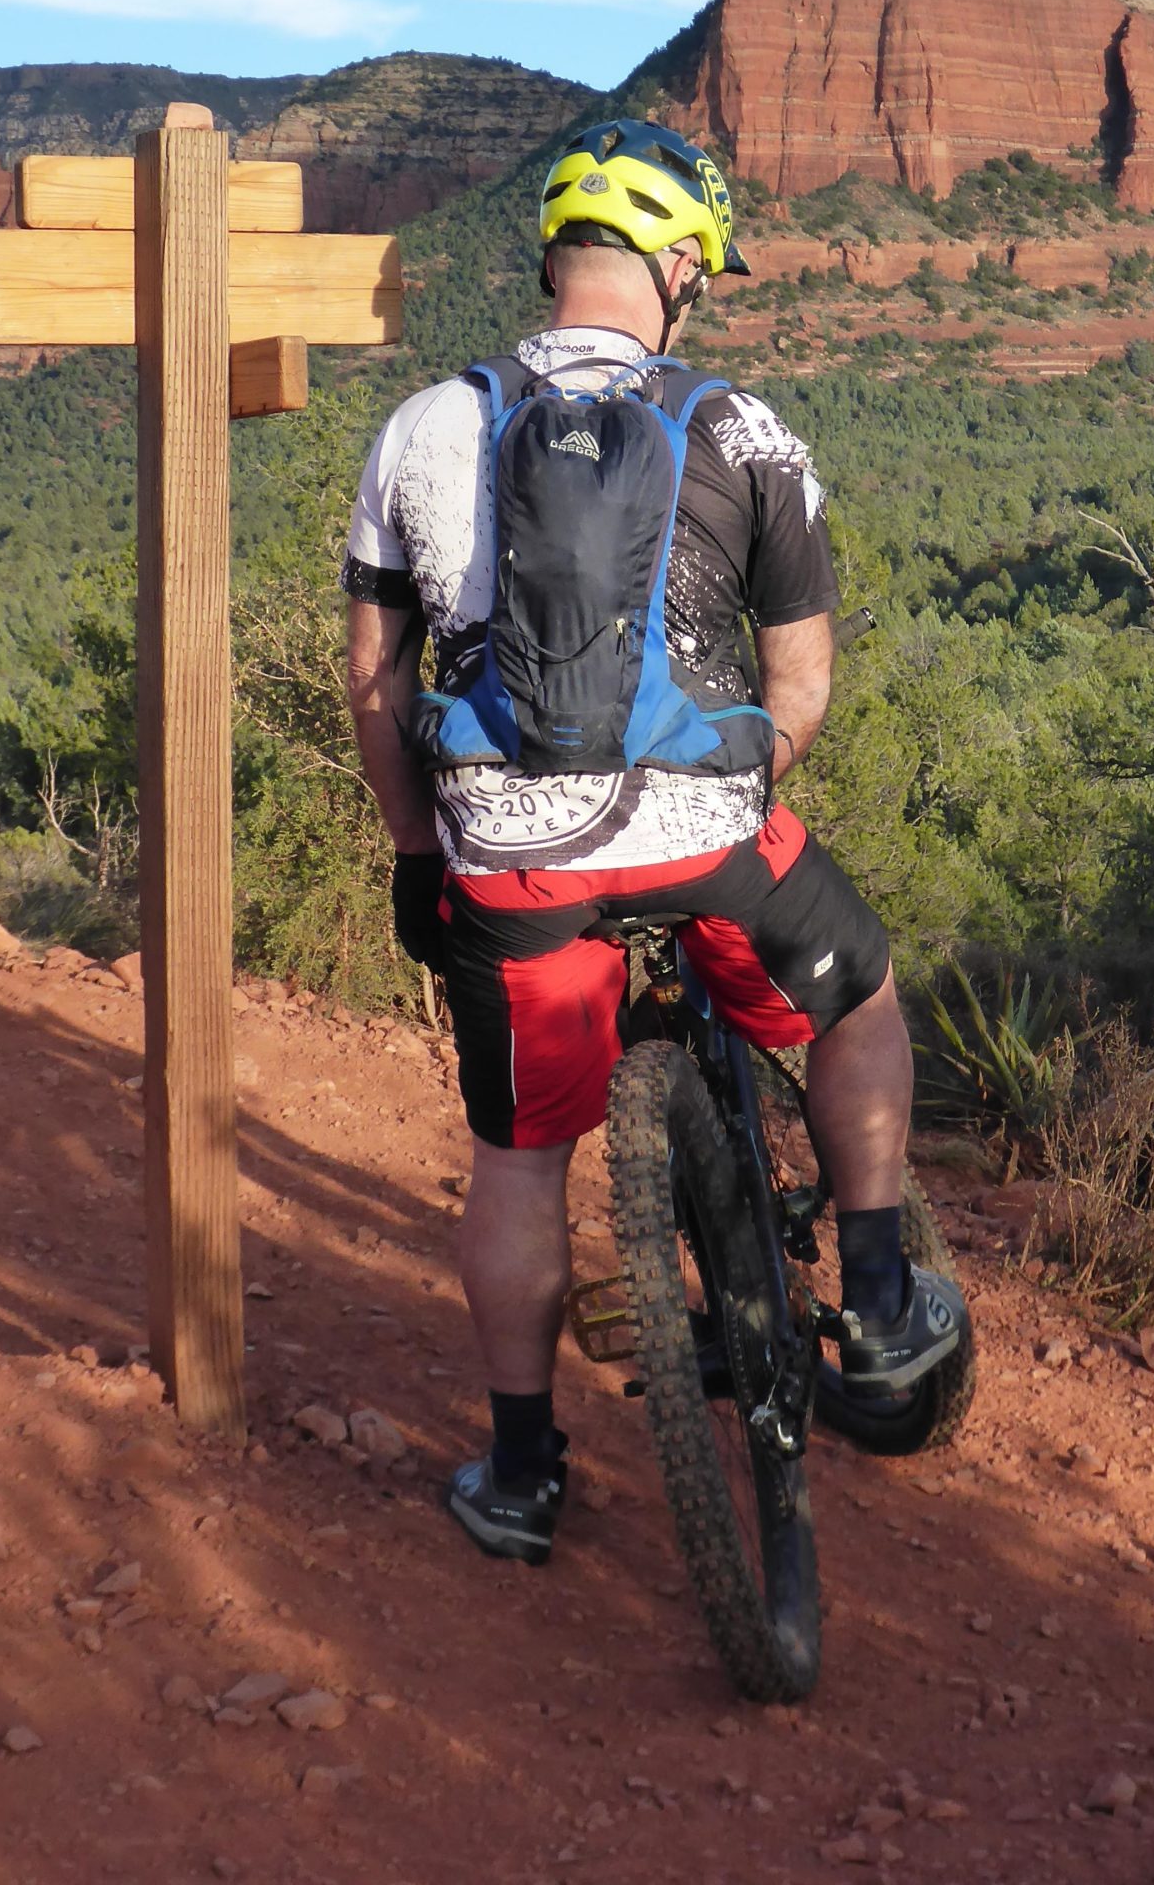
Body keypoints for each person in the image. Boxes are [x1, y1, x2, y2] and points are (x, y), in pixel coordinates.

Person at [342, 118, 968, 1565]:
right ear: (679, 262)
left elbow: (376, 686)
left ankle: (518, 1475)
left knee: (516, 1161)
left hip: (509, 862)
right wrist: (733, 787)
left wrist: (419, 856)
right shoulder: (747, 430)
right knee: (860, 992)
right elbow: (800, 688)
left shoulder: (425, 426)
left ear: (554, 254)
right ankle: (874, 1300)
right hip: (705, 843)